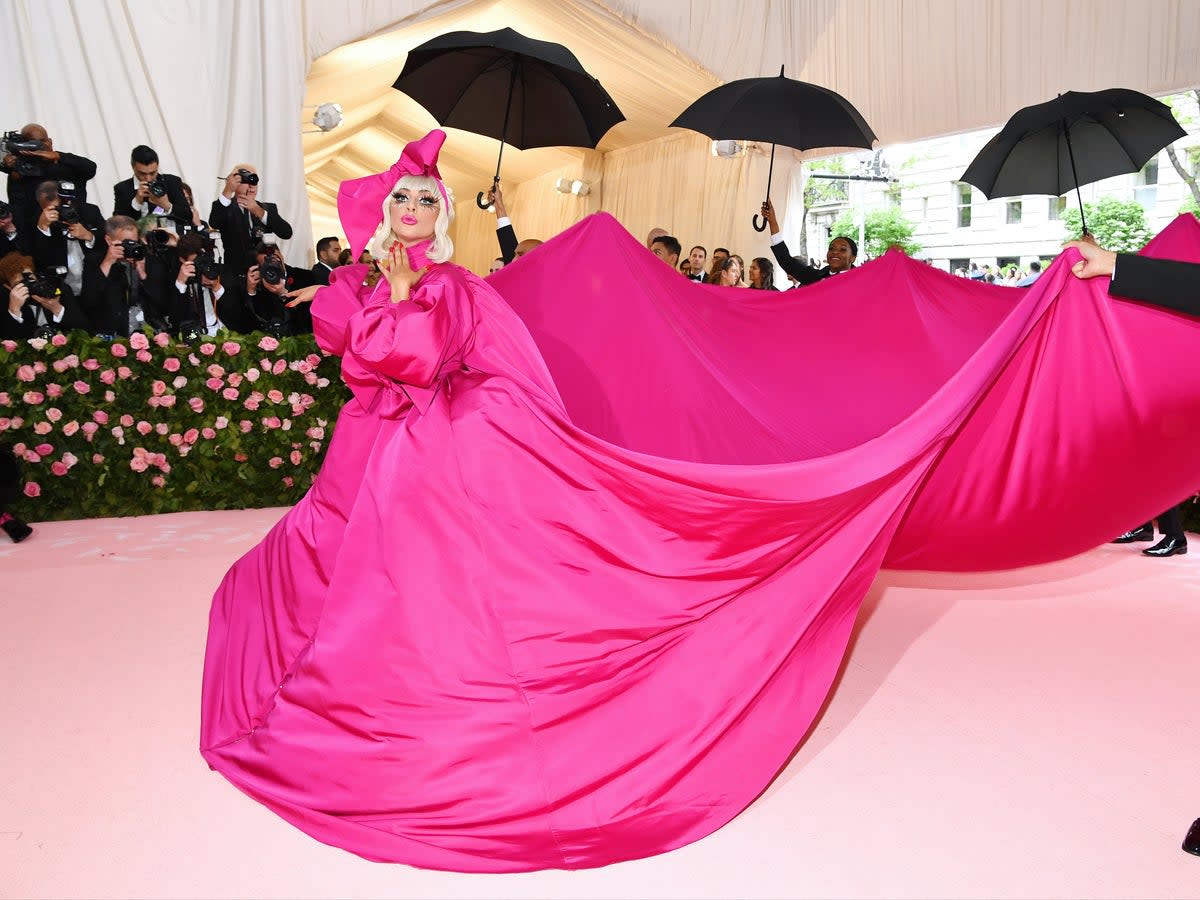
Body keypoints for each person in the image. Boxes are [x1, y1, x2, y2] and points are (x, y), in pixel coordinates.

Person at [0, 123, 97, 236]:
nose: (40, 145)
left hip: (77, 226)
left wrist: (59, 156)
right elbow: (18, 207)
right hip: (43, 233)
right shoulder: (23, 170)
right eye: (32, 142)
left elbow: (91, 168)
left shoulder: (66, 164)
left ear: (50, 141)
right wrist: (15, 173)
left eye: (42, 141)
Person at [208, 163, 293, 278]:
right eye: (246, 180)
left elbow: (286, 233)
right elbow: (215, 222)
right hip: (235, 278)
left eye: (254, 181)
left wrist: (259, 211)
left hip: (265, 276)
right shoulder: (225, 207)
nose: (251, 186)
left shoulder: (267, 208)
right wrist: (227, 190)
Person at [761, 200, 857, 285]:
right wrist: (772, 221)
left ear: (852, 258)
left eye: (843, 250)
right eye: (831, 249)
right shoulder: (815, 278)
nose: (835, 252)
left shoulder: (860, 282)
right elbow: (787, 261)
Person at [113, 145, 193, 229]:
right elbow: (118, 225)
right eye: (142, 173)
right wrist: (137, 202)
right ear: (133, 167)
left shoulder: (171, 182)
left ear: (158, 166)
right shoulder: (123, 188)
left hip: (171, 238)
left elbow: (187, 216)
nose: (148, 178)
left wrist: (167, 205)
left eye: (152, 173)